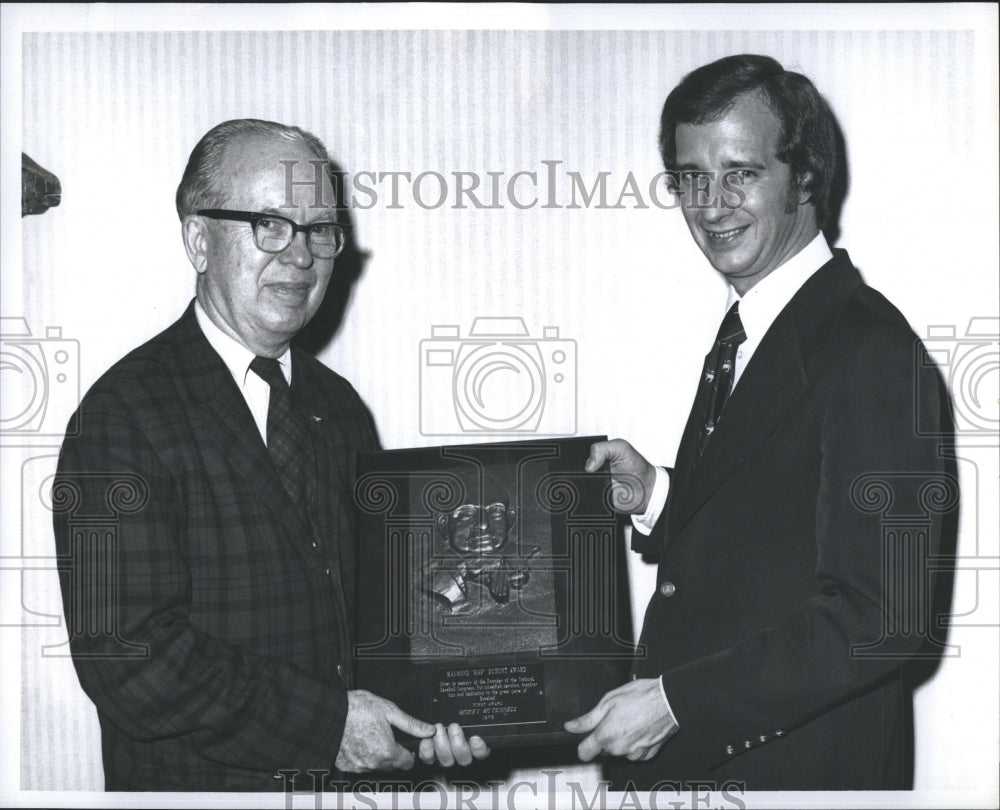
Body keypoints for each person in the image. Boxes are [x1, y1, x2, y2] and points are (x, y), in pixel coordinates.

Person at [52, 119, 488, 791]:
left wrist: (445, 705)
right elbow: (130, 659)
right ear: (199, 239)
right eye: (270, 224)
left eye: (320, 230)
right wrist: (327, 727)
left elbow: (376, 618)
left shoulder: (339, 407)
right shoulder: (124, 415)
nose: (301, 256)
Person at [564, 55, 955, 790]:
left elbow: (886, 615)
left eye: (739, 172)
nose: (710, 205)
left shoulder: (873, 351)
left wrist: (679, 703)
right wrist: (656, 494)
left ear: (805, 176)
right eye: (689, 178)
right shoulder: (760, 330)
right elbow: (777, 525)